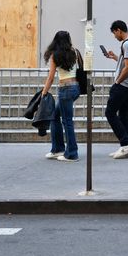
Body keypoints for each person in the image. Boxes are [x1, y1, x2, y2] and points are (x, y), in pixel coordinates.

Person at [41, 30, 81, 162]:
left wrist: (44, 92)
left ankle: (72, 153)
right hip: (75, 88)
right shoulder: (74, 51)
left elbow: (51, 77)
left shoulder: (55, 55)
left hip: (65, 89)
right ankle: (57, 148)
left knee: (67, 121)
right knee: (55, 116)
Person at [104, 20, 128, 159]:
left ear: (119, 30)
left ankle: (125, 143)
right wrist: (115, 58)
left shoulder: (127, 44)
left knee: (110, 112)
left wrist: (118, 81)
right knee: (123, 114)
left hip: (124, 85)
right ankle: (127, 145)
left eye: (114, 33)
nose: (115, 36)